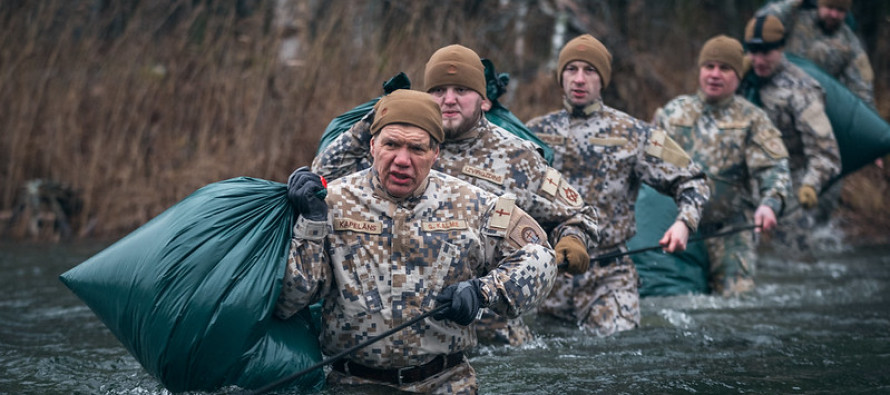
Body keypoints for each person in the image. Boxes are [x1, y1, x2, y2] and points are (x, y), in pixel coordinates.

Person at [312, 44, 599, 346]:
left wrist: (572, 239)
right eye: (437, 91)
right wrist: (382, 114)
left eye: (461, 90)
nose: (448, 100)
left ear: (484, 100)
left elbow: (578, 214)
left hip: (493, 331)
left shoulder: (519, 157)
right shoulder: (402, 146)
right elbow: (323, 175)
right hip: (400, 327)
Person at [275, 89, 557, 394]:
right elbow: (290, 301)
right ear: (372, 146)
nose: (402, 160)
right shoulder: (331, 203)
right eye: (391, 145)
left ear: (436, 153)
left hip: (446, 383)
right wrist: (310, 226)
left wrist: (484, 291)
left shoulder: (475, 205)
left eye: (417, 149)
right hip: (352, 384)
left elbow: (541, 256)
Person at [525, 34, 710, 336]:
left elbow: (692, 180)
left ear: (603, 79)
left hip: (609, 276)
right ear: (561, 77)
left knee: (613, 359)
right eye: (571, 69)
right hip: (550, 274)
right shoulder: (534, 132)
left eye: (590, 70)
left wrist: (684, 223)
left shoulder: (634, 133)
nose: (580, 79)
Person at [652, 35, 792, 296]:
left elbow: (775, 168)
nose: (715, 74)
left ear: (738, 75)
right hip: (675, 228)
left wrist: (770, 203)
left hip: (731, 232)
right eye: (709, 67)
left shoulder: (753, 119)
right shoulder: (673, 113)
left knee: (734, 307)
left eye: (724, 68)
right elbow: (646, 169)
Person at [738, 15, 842, 255]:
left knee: (793, 260)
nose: (759, 59)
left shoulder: (802, 90)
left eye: (767, 52)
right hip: (745, 183)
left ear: (781, 48)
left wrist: (810, 186)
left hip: (792, 186)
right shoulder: (739, 77)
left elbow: (826, 153)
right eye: (753, 51)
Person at [756, 0, 874, 107]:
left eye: (840, 10)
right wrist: (794, 2)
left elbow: (862, 88)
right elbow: (760, 23)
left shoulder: (849, 43)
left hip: (816, 105)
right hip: (777, 93)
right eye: (829, 7)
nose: (834, 15)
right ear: (819, 4)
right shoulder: (796, 18)